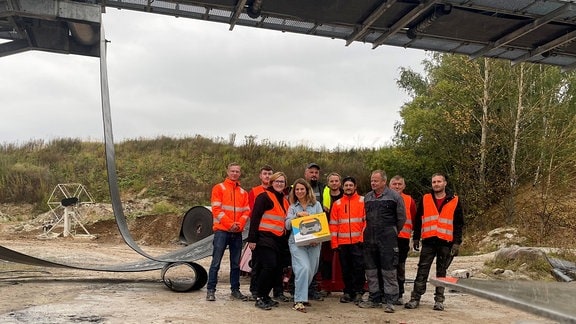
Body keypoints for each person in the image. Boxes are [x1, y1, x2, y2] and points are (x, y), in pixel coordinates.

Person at [405, 173, 464, 311]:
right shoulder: (425, 199)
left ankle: (439, 300)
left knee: (441, 271)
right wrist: (415, 237)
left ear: (445, 183)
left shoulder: (454, 200)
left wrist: (457, 243)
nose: (436, 184)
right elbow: (418, 220)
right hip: (429, 241)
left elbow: (459, 224)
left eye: (439, 181)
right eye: (434, 182)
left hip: (445, 241)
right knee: (422, 270)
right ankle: (415, 298)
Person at [358, 170, 406, 313]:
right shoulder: (367, 197)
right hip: (370, 238)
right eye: (372, 180)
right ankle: (374, 298)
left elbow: (401, 218)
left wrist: (391, 231)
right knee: (371, 270)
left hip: (388, 239)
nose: (373, 183)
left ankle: (391, 300)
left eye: (376, 181)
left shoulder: (395, 197)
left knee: (389, 270)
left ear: (384, 182)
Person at [206, 163, 250, 302]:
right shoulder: (219, 188)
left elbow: (246, 211)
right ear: (228, 172)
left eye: (237, 171)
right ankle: (211, 290)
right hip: (222, 231)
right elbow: (216, 210)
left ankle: (235, 290)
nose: (235, 173)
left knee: (235, 264)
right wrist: (230, 224)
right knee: (216, 262)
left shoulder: (243, 192)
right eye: (232, 171)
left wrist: (239, 225)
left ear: (240, 173)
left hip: (237, 233)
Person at [246, 172, 290, 310]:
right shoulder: (263, 197)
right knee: (268, 267)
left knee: (276, 269)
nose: (279, 184)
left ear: (285, 184)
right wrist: (252, 239)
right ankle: (259, 296)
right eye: (276, 181)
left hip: (278, 240)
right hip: (264, 239)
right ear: (271, 182)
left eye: (282, 182)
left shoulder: (284, 199)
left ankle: (265, 296)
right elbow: (255, 218)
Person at [285, 178, 324, 313]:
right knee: (303, 268)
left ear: (307, 190)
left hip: (314, 243)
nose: (300, 191)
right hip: (297, 243)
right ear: (294, 192)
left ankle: (302, 295)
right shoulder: (292, 207)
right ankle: (298, 300)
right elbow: (287, 225)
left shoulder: (316, 205)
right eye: (297, 189)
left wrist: (317, 239)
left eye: (302, 189)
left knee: (311, 271)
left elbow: (321, 223)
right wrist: (296, 216)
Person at [329, 176, 366, 305]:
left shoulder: (363, 201)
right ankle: (347, 292)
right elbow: (333, 225)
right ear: (342, 187)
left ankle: (358, 292)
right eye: (346, 185)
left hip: (358, 242)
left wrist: (362, 238)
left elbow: (367, 222)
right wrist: (334, 243)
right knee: (346, 269)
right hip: (343, 244)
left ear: (355, 187)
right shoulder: (337, 204)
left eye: (351, 185)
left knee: (359, 268)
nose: (348, 187)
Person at [389, 175, 417, 305]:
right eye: (394, 184)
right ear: (390, 185)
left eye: (400, 184)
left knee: (400, 267)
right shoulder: (385, 198)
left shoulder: (409, 200)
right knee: (387, 267)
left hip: (403, 239)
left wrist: (415, 238)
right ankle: (388, 292)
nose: (397, 186)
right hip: (387, 239)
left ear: (404, 186)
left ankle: (399, 293)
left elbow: (415, 220)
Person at [302, 162, 326, 300]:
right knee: (300, 263)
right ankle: (297, 289)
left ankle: (312, 289)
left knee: (316, 262)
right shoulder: (298, 187)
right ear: (306, 173)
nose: (314, 174)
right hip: (302, 229)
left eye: (316, 172)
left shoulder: (324, 189)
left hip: (318, 229)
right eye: (311, 172)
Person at [318, 172, 343, 295]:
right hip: (326, 232)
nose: (334, 183)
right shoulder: (323, 197)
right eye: (331, 181)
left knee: (342, 259)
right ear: (328, 183)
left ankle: (343, 285)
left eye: (336, 181)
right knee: (325, 259)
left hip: (342, 233)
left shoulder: (345, 196)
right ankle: (326, 286)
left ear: (340, 182)